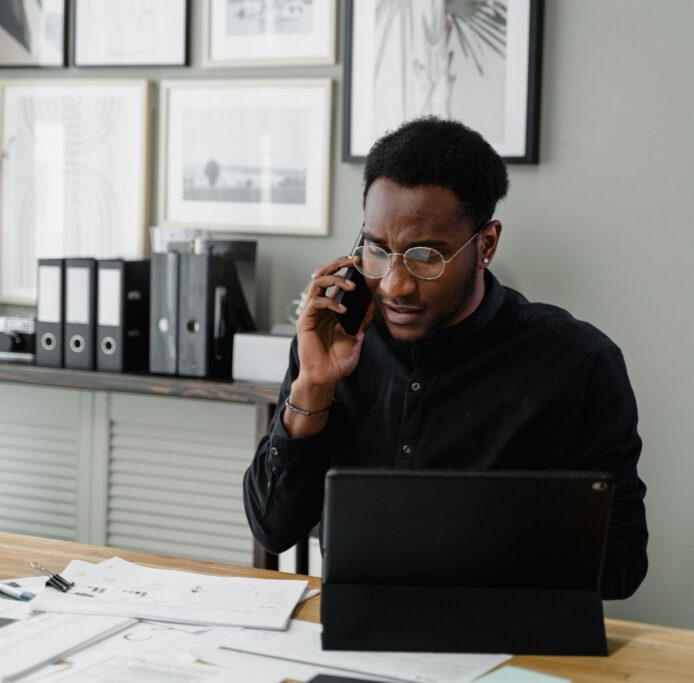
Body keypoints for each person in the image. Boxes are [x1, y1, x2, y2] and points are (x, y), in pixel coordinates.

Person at [242, 116, 648, 600]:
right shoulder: (333, 340)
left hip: (506, 641)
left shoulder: (575, 363)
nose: (395, 284)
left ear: (487, 245)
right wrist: (312, 387)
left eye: (426, 256)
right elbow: (273, 529)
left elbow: (623, 562)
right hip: (357, 635)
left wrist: (480, 531)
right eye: (378, 250)